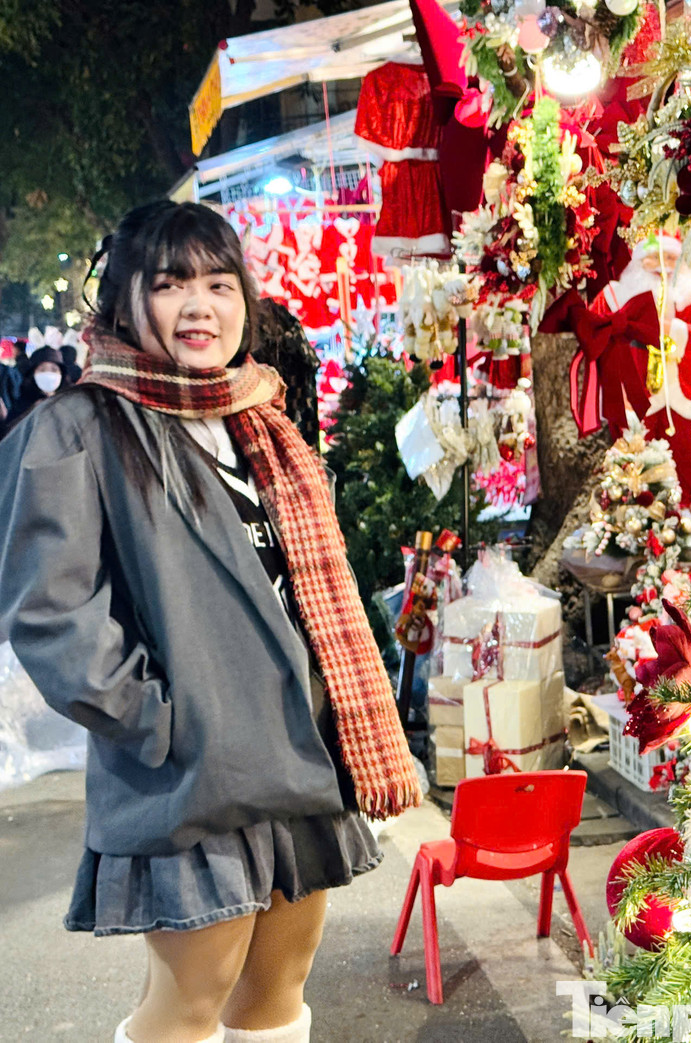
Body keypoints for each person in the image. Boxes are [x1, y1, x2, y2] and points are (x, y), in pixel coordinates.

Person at [0, 200, 422, 1043]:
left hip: (304, 757)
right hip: (189, 773)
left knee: (276, 996)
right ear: (124, 301)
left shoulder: (259, 419)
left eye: (220, 284)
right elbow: (49, 612)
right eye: (171, 283)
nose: (201, 305)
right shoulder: (77, 427)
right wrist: (161, 720)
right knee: (187, 1007)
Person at [1, 334, 74, 439]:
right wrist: (31, 411)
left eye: (54, 369)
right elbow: (9, 435)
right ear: (33, 374)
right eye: (42, 369)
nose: (48, 373)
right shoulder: (23, 402)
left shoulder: (70, 400)